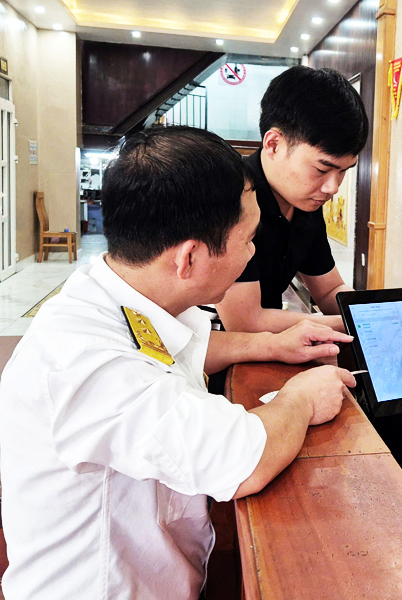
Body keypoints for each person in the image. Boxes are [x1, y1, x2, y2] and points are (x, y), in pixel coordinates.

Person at [0, 126, 357, 599]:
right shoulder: (87, 363)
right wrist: (302, 400)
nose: (253, 252)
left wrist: (273, 345)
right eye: (248, 241)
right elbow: (246, 460)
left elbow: (183, 349)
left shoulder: (123, 293)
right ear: (188, 258)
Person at [216, 66, 369, 334]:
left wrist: (374, 311)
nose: (333, 187)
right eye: (321, 169)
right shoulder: (229, 197)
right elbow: (245, 323)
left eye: (344, 171)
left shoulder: (304, 203)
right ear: (274, 144)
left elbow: (329, 289)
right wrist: (357, 323)